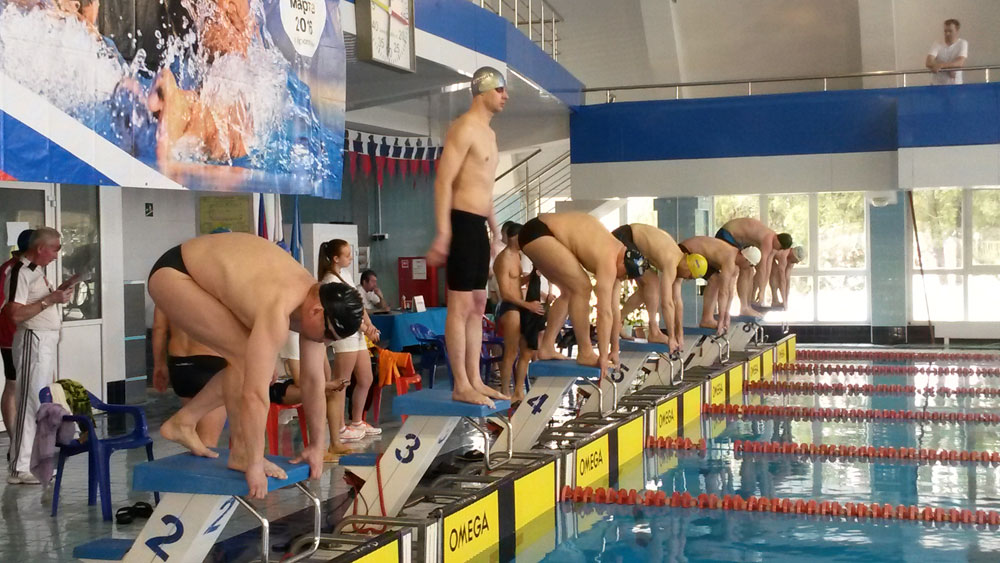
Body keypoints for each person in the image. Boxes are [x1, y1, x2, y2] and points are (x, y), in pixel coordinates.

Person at [147, 232, 363, 498]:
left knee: (247, 359)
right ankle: (239, 452)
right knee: (246, 360)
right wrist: (254, 461)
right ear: (316, 312)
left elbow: (313, 381)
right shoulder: (280, 306)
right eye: (327, 335)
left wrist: (317, 445)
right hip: (175, 274)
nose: (325, 342)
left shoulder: (317, 303)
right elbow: (255, 395)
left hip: (197, 271)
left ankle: (184, 422)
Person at [425, 66, 509, 408]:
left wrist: (496, 230)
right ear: (483, 90)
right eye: (500, 89)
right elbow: (443, 181)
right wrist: (443, 232)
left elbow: (485, 189)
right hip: (460, 223)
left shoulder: (490, 135)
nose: (505, 96)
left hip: (478, 228)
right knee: (460, 307)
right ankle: (460, 383)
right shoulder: (463, 128)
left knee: (477, 305)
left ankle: (475, 380)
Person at [517, 213, 648, 379]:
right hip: (541, 232)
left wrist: (614, 350)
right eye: (625, 275)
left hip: (536, 232)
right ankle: (585, 351)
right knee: (582, 287)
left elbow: (614, 310)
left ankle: (547, 347)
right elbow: (604, 312)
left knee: (569, 291)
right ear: (623, 263)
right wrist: (602, 355)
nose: (622, 279)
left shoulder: (616, 253)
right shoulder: (609, 259)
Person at [3, 228, 73, 484]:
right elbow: (15, 314)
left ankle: (33, 464)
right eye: (55, 248)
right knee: (29, 403)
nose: (57, 254)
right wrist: (49, 300)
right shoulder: (20, 272)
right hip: (32, 340)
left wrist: (57, 297)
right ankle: (19, 467)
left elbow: (39, 303)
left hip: (44, 340)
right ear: (41, 248)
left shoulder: (37, 272)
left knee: (40, 402)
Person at [317, 239, 381, 441]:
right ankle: (339, 427)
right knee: (341, 383)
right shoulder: (329, 280)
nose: (351, 258)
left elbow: (358, 303)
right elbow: (344, 313)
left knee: (366, 378)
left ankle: (357, 421)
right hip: (345, 334)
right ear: (336, 258)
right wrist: (365, 328)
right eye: (347, 255)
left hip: (358, 333)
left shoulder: (345, 274)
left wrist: (369, 324)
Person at [613, 224, 708, 354]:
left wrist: (679, 333)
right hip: (624, 237)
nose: (686, 279)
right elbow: (666, 303)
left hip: (628, 239)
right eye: (690, 277)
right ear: (688, 267)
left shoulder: (680, 261)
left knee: (648, 288)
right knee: (652, 283)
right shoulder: (672, 262)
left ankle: (618, 321)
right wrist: (671, 337)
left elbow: (677, 302)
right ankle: (653, 331)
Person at [267, 330, 355, 461]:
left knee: (332, 392)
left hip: (291, 384)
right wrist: (329, 385)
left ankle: (335, 443)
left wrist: (331, 385)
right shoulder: (292, 336)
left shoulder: (311, 336)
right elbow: (300, 381)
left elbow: (323, 372)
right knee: (316, 393)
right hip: (276, 385)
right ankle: (318, 448)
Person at [151, 307, 228, 448]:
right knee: (207, 443)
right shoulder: (216, 292)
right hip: (210, 366)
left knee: (194, 439)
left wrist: (159, 365)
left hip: (179, 366)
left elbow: (159, 328)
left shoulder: (169, 293)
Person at [493, 222, 544, 401]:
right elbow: (505, 293)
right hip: (510, 307)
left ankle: (518, 391)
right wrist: (528, 305)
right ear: (514, 237)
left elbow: (515, 282)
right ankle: (505, 391)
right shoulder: (503, 259)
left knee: (526, 350)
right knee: (511, 351)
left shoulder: (518, 256)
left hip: (521, 305)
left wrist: (530, 277)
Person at [679, 236, 761, 334]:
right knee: (715, 280)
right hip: (686, 250)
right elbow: (723, 292)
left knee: (715, 280)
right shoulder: (730, 259)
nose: (749, 268)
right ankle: (707, 319)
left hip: (696, 252)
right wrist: (721, 320)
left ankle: (707, 319)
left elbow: (730, 292)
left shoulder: (735, 265)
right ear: (746, 259)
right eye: (751, 265)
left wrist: (727, 316)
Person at [715, 218, 792, 317]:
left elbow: (767, 269)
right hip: (727, 234)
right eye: (780, 247)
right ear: (778, 240)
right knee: (740, 270)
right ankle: (741, 308)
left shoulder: (772, 243)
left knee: (749, 270)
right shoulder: (768, 239)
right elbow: (762, 267)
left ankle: (747, 306)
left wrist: (762, 291)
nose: (779, 250)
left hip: (736, 240)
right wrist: (761, 292)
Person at [0, 230, 33, 440]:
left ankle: (27, 437)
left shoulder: (31, 270)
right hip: (12, 337)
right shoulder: (11, 270)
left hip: (31, 336)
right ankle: (15, 439)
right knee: (13, 385)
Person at [926, 19, 968, 86]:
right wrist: (949, 68)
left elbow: (960, 62)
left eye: (950, 31)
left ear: (957, 31)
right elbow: (928, 62)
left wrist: (941, 65)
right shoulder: (937, 43)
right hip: (937, 85)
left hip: (955, 85)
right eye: (945, 31)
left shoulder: (962, 43)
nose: (947, 34)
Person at [767, 246, 805, 310]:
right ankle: (775, 300)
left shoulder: (791, 261)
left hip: (774, 254)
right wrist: (784, 300)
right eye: (797, 260)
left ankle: (775, 300)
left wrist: (786, 301)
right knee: (775, 271)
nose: (797, 263)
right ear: (793, 255)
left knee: (778, 274)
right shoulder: (784, 256)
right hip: (769, 251)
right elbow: (782, 280)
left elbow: (787, 280)